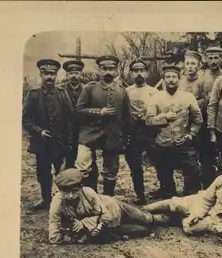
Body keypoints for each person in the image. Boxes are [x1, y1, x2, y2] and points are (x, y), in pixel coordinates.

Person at [142, 160, 222, 241]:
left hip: (218, 218)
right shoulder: (220, 180)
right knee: (174, 203)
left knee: (189, 227)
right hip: (204, 204)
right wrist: (197, 214)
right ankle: (141, 210)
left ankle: (154, 219)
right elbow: (207, 199)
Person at [48, 168, 168, 244]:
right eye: (65, 192)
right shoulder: (57, 203)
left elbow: (105, 215)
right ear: (60, 191)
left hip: (114, 208)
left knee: (146, 219)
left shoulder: (88, 192)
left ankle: (168, 218)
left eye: (74, 191)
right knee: (143, 230)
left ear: (81, 187)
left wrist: (84, 223)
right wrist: (73, 238)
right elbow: (53, 236)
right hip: (105, 226)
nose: (70, 196)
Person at [74, 55, 133, 196]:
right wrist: (98, 112)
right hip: (90, 134)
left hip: (112, 135)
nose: (108, 72)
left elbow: (127, 117)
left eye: (111, 69)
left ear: (116, 71)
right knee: (83, 165)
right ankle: (88, 197)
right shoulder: (90, 88)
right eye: (104, 68)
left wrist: (125, 138)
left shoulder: (122, 92)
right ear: (99, 70)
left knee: (111, 169)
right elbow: (78, 110)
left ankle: (108, 199)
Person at [22, 59, 74, 211]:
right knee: (43, 172)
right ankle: (46, 200)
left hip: (59, 141)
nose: (50, 77)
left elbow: (70, 118)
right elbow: (25, 119)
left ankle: (63, 202)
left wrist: (69, 140)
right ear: (41, 74)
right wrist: (39, 131)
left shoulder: (62, 93)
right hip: (42, 143)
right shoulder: (33, 94)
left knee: (62, 172)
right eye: (46, 74)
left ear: (56, 75)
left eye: (52, 74)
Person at [146, 65, 203, 198]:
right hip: (163, 141)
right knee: (164, 171)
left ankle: (190, 196)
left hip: (184, 141)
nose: (171, 80)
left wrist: (191, 134)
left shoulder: (188, 97)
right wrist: (164, 118)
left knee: (191, 170)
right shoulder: (156, 98)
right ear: (164, 79)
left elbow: (197, 119)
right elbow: (148, 120)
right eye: (168, 77)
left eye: (174, 77)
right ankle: (168, 193)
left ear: (179, 78)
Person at [124, 58, 160, 204]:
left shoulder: (154, 92)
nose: (139, 74)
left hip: (150, 131)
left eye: (142, 71)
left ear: (146, 72)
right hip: (132, 132)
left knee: (159, 161)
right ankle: (140, 194)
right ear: (131, 73)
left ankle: (164, 189)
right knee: (134, 164)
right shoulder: (125, 92)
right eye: (135, 71)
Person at [198, 46, 222, 187]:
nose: (213, 61)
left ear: (221, 58)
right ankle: (207, 186)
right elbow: (194, 100)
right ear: (206, 59)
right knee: (205, 156)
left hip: (221, 122)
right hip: (204, 122)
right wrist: (205, 101)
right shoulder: (201, 78)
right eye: (210, 58)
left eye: (216, 58)